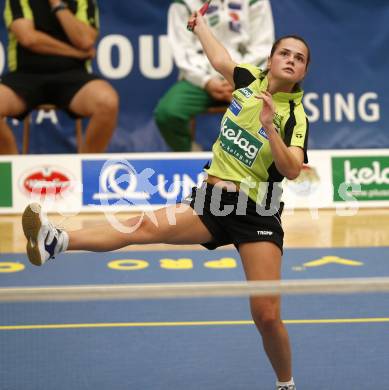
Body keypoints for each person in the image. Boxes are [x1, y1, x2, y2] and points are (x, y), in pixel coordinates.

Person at [22, 9, 310, 390]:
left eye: (299, 58)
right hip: (210, 203)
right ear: (270, 59)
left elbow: (292, 168)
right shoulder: (246, 81)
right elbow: (220, 58)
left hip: (255, 212)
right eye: (285, 53)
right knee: (140, 225)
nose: (291, 60)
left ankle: (285, 383)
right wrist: (200, 25)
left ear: (303, 71)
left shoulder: (296, 116)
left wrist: (270, 128)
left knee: (267, 315)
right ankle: (54, 240)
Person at [0, 0, 119, 154]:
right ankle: (11, 171)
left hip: (73, 75)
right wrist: (76, 53)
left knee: (107, 102)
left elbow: (85, 40)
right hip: (25, 75)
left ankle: (86, 169)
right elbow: (29, 39)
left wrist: (57, 4)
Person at [154, 0, 274, 151]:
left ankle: (261, 160)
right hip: (201, 81)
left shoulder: (255, 2)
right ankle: (189, 155)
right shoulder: (184, 3)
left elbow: (263, 47)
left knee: (274, 109)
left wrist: (238, 77)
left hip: (245, 78)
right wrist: (207, 81)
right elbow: (182, 51)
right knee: (168, 113)